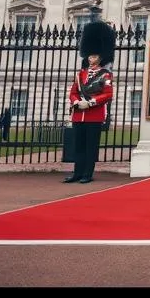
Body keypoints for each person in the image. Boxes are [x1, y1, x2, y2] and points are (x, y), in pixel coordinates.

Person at [64, 16, 115, 184]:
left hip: (94, 115)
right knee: (78, 146)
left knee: (90, 147)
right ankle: (77, 173)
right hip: (79, 114)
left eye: (95, 56)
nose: (92, 59)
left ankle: (88, 173)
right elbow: (73, 92)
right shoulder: (81, 74)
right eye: (90, 56)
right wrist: (76, 102)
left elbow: (107, 94)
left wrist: (90, 102)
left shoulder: (105, 75)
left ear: (100, 58)